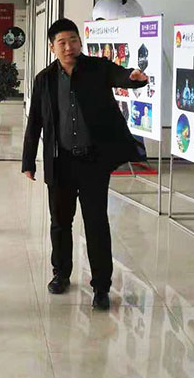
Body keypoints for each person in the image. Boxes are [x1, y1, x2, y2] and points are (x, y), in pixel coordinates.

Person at [22, 18, 148, 310]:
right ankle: (61, 274)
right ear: (52, 47)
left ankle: (101, 286)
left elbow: (120, 75)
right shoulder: (44, 79)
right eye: (62, 42)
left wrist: (134, 77)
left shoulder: (98, 68)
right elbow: (35, 121)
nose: (69, 47)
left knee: (96, 223)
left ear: (80, 42)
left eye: (73, 40)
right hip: (60, 162)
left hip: (93, 161)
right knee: (60, 223)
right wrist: (29, 160)